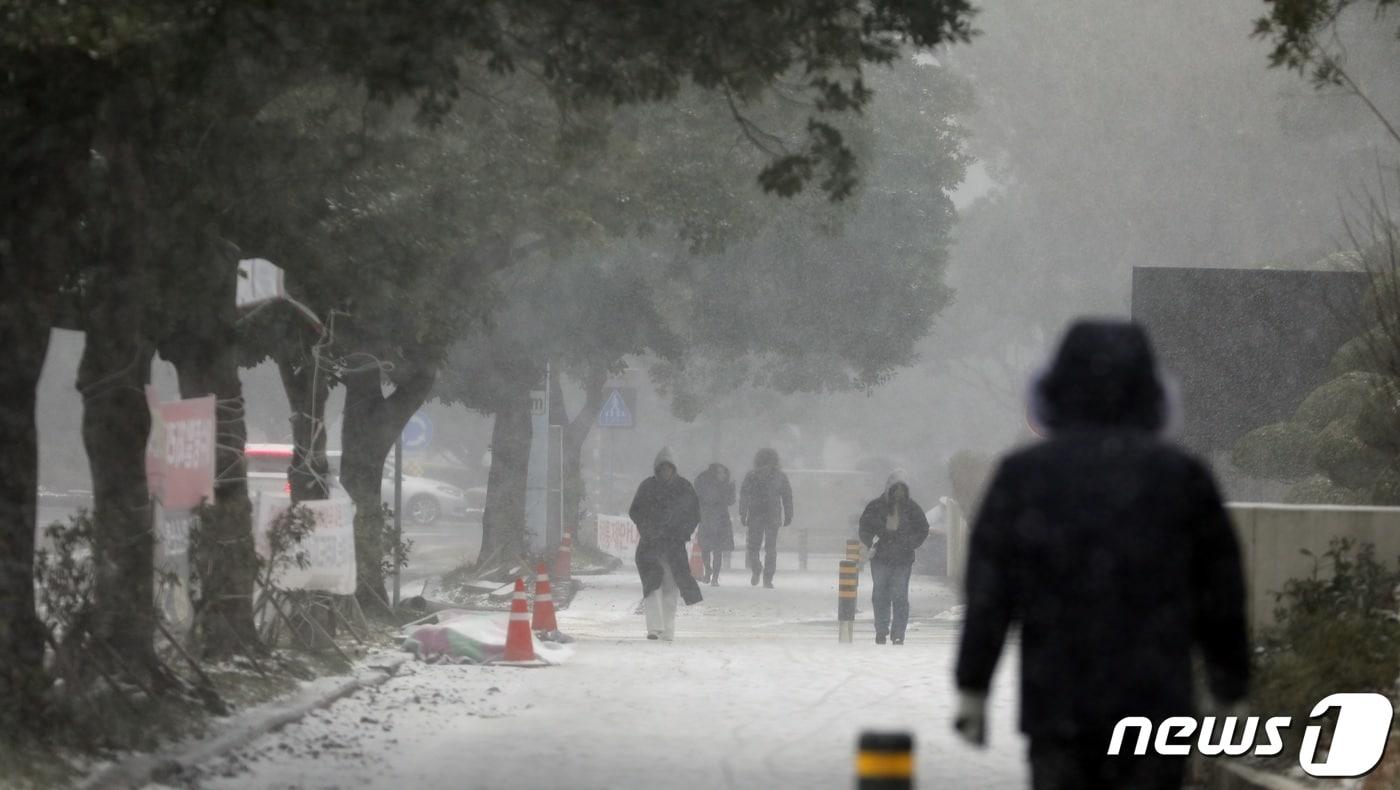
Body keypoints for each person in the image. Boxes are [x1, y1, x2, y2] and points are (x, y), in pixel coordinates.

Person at [952, 320, 1249, 790]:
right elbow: (1220, 594)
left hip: (1057, 701)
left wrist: (973, 684)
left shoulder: (1023, 477)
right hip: (1155, 702)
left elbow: (990, 591)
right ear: (1152, 392)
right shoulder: (1182, 477)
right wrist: (1229, 685)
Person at [628, 448, 703, 641]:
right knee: (652, 586)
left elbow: (694, 514)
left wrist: (683, 531)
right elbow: (635, 512)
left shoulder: (685, 488)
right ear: (657, 469)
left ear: (674, 468)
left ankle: (668, 630)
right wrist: (647, 530)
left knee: (671, 588)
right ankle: (654, 628)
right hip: (650, 546)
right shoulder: (647, 487)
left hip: (674, 546)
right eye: (662, 468)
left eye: (669, 468)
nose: (666, 472)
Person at [858, 471, 930, 645]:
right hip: (880, 558)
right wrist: (872, 542)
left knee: (899, 596)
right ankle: (881, 630)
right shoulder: (875, 506)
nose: (899, 493)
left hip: (903, 559)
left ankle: (898, 633)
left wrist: (909, 543)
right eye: (895, 489)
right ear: (888, 489)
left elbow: (923, 529)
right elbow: (864, 528)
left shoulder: (912, 508)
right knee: (880, 594)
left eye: (902, 489)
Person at [739, 448, 793, 588]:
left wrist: (742, 512)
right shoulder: (780, 477)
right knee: (771, 548)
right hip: (773, 515)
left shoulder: (751, 476)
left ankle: (757, 569)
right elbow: (787, 497)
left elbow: (744, 496)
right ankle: (768, 578)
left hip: (755, 514)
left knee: (753, 547)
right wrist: (788, 514)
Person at [693, 463, 736, 586]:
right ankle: (708, 570)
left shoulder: (725, 485)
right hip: (707, 518)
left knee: (718, 549)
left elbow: (730, 501)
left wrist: (731, 489)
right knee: (705, 548)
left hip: (721, 520)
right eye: (720, 472)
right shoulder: (704, 484)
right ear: (714, 473)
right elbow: (700, 498)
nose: (723, 475)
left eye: (723, 472)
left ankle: (715, 577)